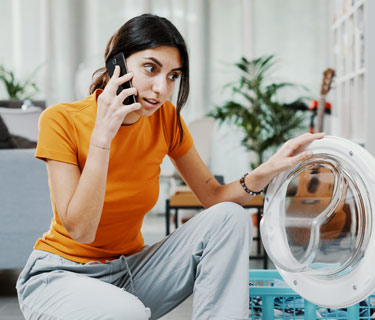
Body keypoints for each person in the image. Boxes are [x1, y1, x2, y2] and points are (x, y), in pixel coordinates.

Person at [16, 14, 324, 320]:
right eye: (151, 68)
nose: (162, 88)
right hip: (61, 275)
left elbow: (213, 198)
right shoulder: (61, 120)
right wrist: (103, 135)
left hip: (131, 272)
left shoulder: (166, 120)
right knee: (127, 313)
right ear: (117, 63)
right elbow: (81, 230)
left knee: (230, 218)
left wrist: (267, 169)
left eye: (173, 76)